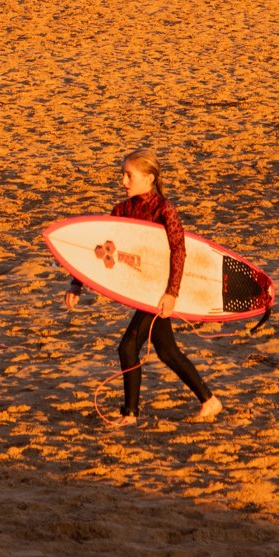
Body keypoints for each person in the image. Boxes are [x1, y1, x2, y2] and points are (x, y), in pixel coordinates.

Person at [67, 145, 221, 424]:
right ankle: (209, 401)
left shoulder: (164, 209)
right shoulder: (123, 209)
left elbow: (179, 250)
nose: (123, 181)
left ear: (149, 178)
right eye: (123, 175)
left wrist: (171, 293)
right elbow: (99, 248)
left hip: (158, 291)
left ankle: (130, 414)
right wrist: (76, 284)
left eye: (129, 175)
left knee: (127, 347)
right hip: (144, 291)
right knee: (166, 350)